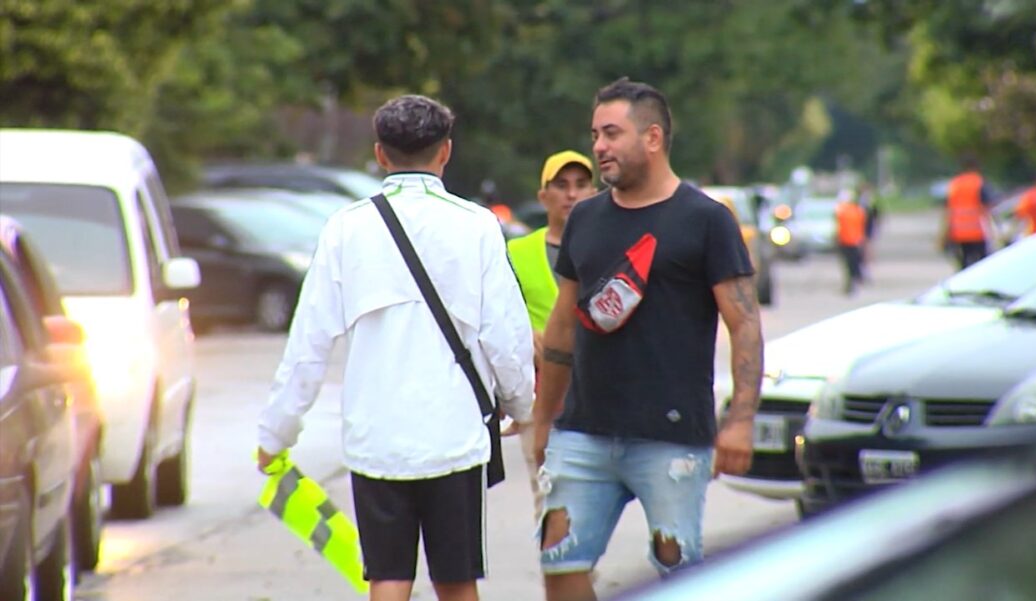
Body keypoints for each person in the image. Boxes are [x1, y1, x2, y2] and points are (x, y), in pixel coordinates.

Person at [256, 94, 535, 601]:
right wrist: (521, 404)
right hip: (454, 436)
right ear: (445, 152)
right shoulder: (476, 226)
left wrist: (276, 432)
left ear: (380, 155)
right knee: (456, 580)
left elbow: (308, 344)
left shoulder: (347, 228)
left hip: (376, 438)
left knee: (388, 578)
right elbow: (506, 335)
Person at [532, 78, 764, 601]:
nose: (599, 147)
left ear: (653, 138)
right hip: (584, 431)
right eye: (595, 134)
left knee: (676, 570)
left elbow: (744, 322)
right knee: (560, 562)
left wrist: (742, 420)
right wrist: (546, 422)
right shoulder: (585, 218)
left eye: (612, 133)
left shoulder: (705, 219)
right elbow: (563, 325)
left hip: (671, 437)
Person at [506, 149, 597, 518]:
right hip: (540, 396)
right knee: (550, 500)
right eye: (561, 186)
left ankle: (576, 569)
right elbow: (495, 316)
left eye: (580, 185)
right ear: (543, 196)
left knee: (589, 502)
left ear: (594, 192)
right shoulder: (518, 251)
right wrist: (524, 334)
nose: (571, 194)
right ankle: (560, 569)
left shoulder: (608, 248)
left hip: (597, 395)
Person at [943, 156, 995, 270]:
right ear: (976, 167)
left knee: (964, 263)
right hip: (977, 232)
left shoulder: (954, 183)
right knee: (982, 265)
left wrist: (944, 234)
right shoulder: (979, 182)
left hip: (958, 232)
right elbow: (989, 206)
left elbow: (948, 210)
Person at [835, 189, 867, 295]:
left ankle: (853, 283)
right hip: (855, 241)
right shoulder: (858, 210)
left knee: (850, 264)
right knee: (853, 264)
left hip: (847, 241)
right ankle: (854, 281)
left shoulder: (842, 211)